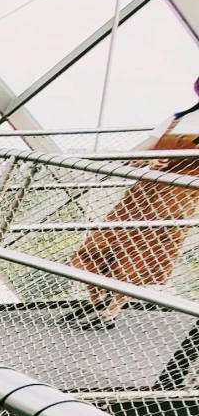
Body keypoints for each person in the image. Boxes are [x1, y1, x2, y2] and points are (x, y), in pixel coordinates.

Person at [66, 81, 199, 332]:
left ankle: (111, 311)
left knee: (136, 255)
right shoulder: (176, 119)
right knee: (95, 249)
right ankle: (98, 302)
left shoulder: (179, 121)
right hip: (141, 193)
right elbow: (136, 155)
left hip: (177, 199)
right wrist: (149, 161)